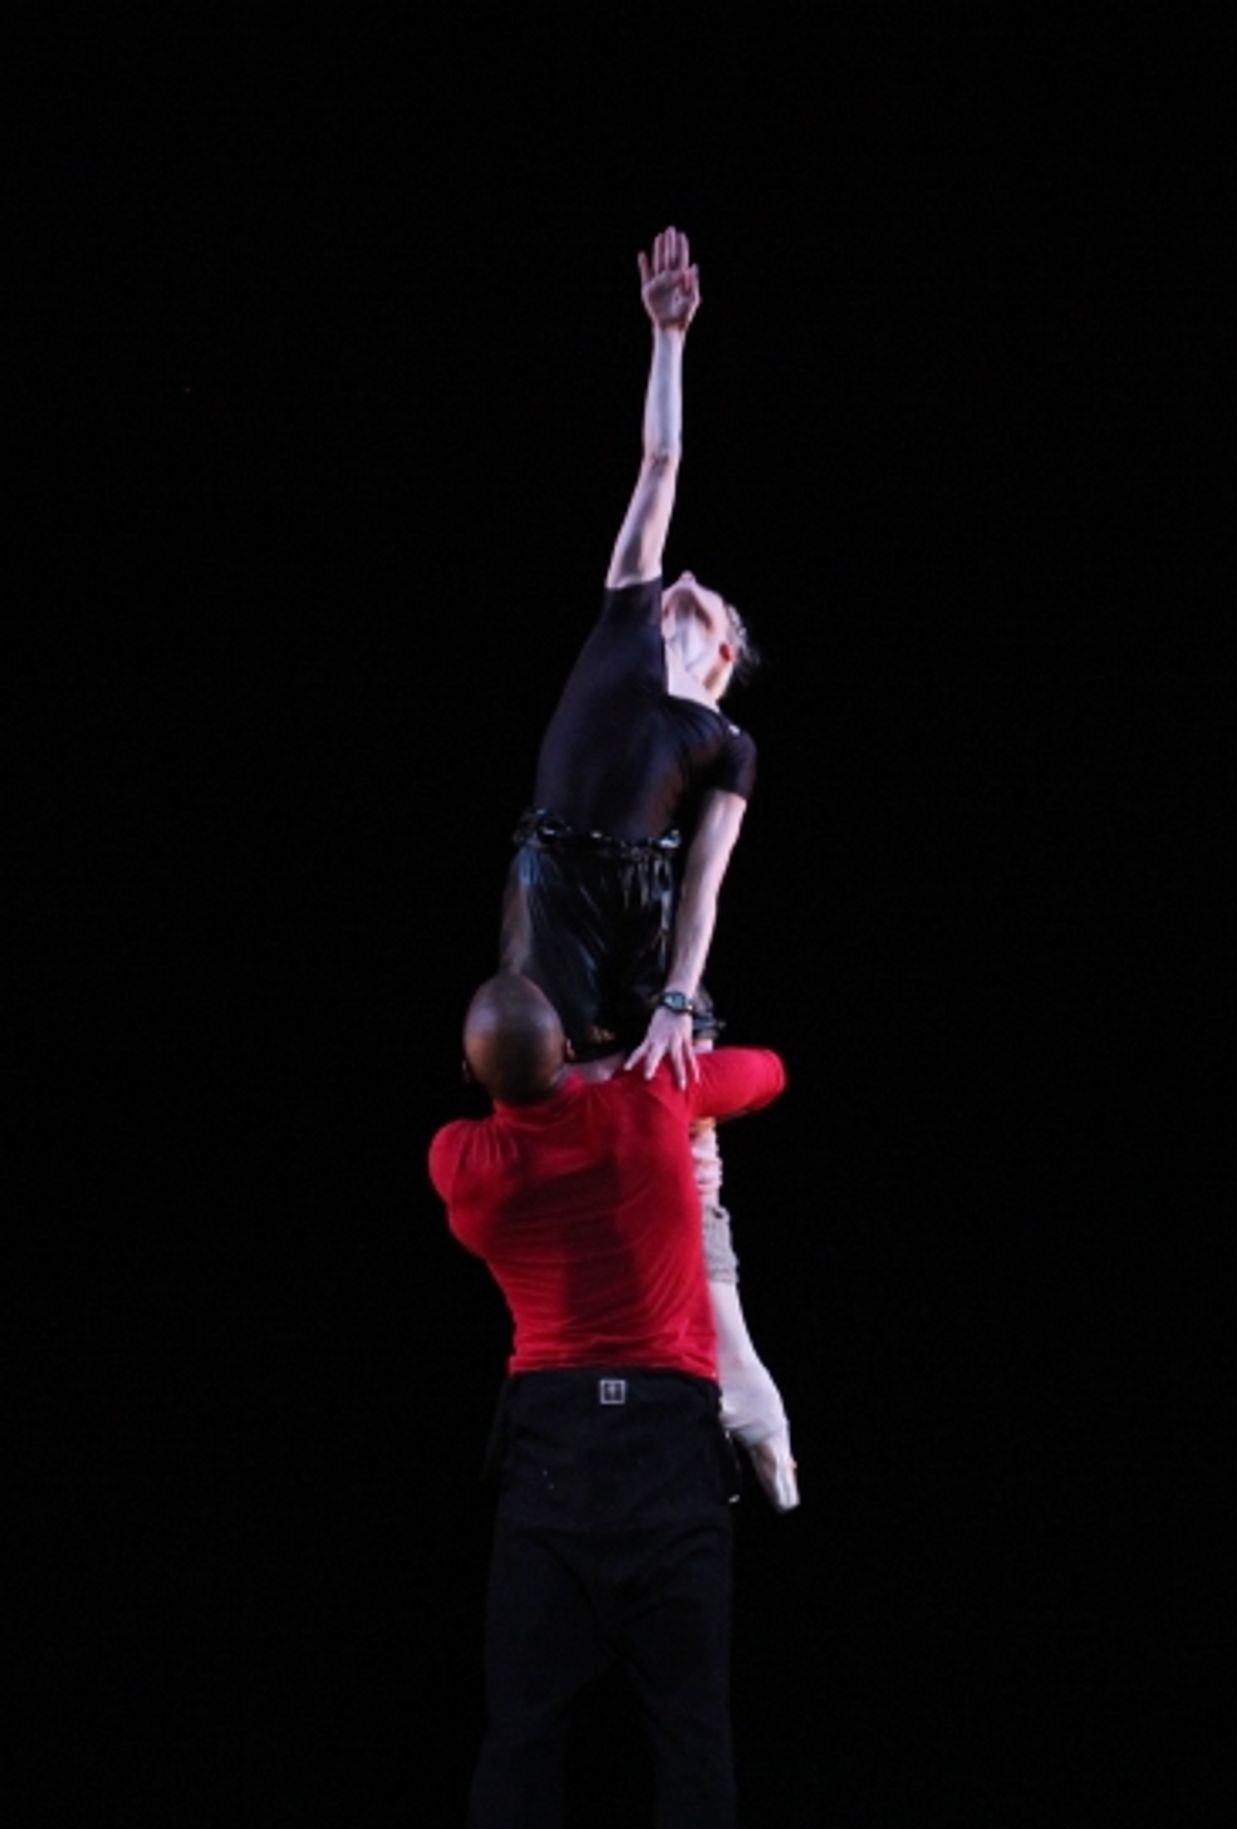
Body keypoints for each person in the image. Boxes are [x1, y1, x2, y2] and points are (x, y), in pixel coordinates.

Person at [497, 224, 798, 1514]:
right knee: (551, 1089)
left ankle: (736, 1376)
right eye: (684, 574)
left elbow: (708, 884)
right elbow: (660, 456)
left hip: (642, 906)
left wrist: (681, 997)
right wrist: (667, 336)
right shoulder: (625, 604)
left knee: (686, 1119)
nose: (688, 578)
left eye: (709, 597)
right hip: (554, 883)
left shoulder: (723, 738)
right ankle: (584, 1334)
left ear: (722, 650)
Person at [424, 971, 785, 1829]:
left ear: (472, 1074)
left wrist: (559, 1073)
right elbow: (767, 1074)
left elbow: (514, 1099)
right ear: (571, 1050)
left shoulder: (463, 1160)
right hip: (666, 1448)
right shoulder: (648, 1100)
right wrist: (635, 1058)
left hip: (552, 1454)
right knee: (691, 1733)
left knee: (522, 1734)